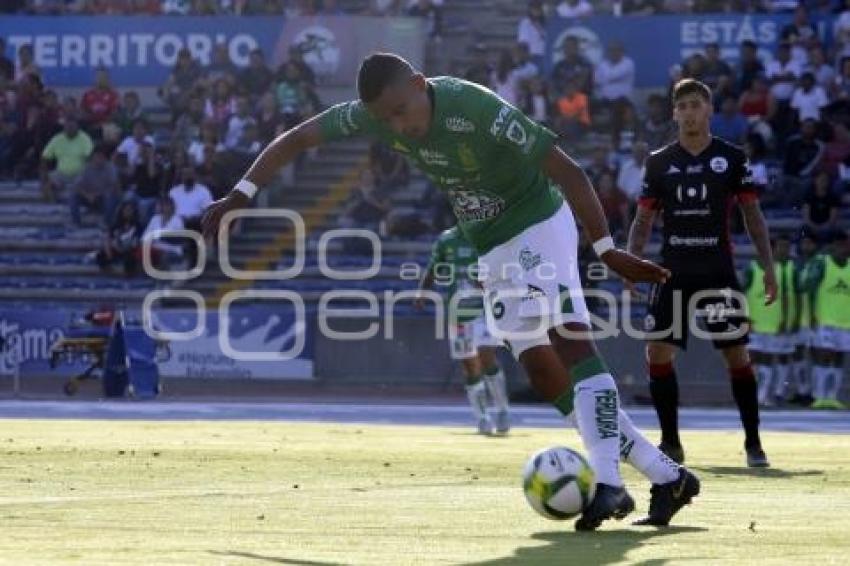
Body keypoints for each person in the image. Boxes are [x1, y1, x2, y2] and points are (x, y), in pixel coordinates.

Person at [202, 52, 700, 531]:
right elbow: (295, 139)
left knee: (570, 343)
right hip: (489, 243)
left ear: (419, 84)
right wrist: (240, 194)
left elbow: (567, 170)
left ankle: (608, 480)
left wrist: (607, 249)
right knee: (538, 366)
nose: (398, 126)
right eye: (385, 119)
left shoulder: (475, 106)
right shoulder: (375, 115)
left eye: (401, 111)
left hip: (537, 222)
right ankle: (667, 477)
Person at [627, 78, 777, 468]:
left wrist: (768, 266)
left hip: (717, 270)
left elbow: (752, 215)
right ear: (674, 113)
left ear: (708, 110)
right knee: (657, 352)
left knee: (736, 354)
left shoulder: (732, 157)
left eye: (697, 105)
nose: (690, 113)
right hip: (671, 271)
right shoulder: (659, 161)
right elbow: (643, 220)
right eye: (684, 106)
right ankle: (671, 444)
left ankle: (753, 444)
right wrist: (630, 264)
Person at [415, 226, 511, 435]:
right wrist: (422, 291)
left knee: (487, 356)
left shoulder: (487, 233)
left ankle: (503, 409)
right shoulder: (446, 239)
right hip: (458, 314)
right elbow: (433, 267)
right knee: (470, 364)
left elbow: (503, 267)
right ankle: (483, 418)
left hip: (485, 311)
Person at [743, 235, 796, 407]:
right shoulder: (751, 269)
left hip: (774, 321)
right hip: (754, 323)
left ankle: (763, 396)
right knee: (753, 360)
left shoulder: (781, 269)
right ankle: (752, 394)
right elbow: (741, 294)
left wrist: (785, 319)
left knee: (767, 360)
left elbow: (787, 297)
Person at [803, 231, 850, 409]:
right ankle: (819, 396)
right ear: (835, 246)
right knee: (825, 355)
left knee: (839, 358)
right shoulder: (823, 263)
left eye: (846, 245)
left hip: (845, 321)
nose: (844, 248)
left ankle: (833, 397)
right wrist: (813, 314)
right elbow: (810, 288)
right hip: (825, 319)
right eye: (842, 244)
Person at [40, 116, 93, 202]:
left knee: (83, 183)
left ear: (77, 127)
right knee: (47, 185)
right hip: (61, 173)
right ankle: (52, 205)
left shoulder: (85, 139)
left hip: (80, 174)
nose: (70, 129)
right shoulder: (57, 139)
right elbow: (44, 157)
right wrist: (44, 174)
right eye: (68, 127)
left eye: (72, 127)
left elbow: (90, 158)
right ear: (64, 127)